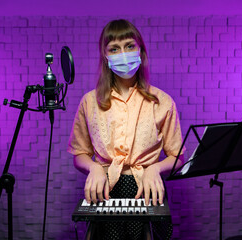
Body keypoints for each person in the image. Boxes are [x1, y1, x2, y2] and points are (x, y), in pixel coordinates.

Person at [68, 19, 185, 240]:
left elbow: (178, 157)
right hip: (104, 192)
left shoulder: (163, 101)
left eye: (129, 46)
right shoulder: (89, 102)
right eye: (114, 48)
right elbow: (79, 153)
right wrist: (93, 168)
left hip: (148, 190)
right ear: (105, 56)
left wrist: (155, 169)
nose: (123, 53)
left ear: (141, 51)